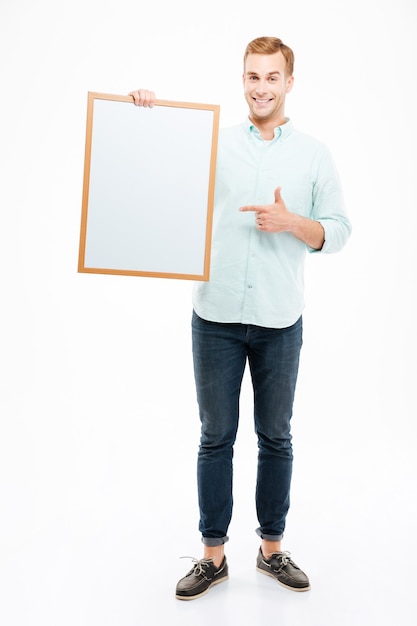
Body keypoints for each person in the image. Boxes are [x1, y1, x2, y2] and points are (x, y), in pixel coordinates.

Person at [130, 36, 351, 601]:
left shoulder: (314, 155)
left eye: (272, 77)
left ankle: (272, 550)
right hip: (217, 315)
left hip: (280, 319)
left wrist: (292, 222)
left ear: (289, 83)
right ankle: (212, 556)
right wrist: (145, 115)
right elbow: (161, 169)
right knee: (215, 437)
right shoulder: (216, 144)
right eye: (253, 76)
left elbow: (338, 231)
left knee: (275, 436)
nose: (261, 87)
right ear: (243, 81)